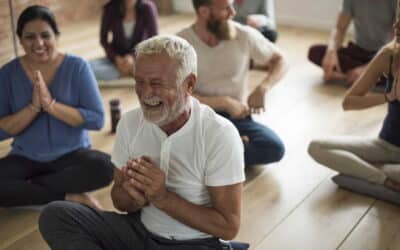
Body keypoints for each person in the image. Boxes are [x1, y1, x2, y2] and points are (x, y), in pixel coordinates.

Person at [39, 35, 245, 250]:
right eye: (139, 81)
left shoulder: (219, 134)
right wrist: (132, 195)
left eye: (156, 83)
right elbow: (119, 200)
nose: (146, 93)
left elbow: (228, 227)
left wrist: (163, 197)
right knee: (56, 215)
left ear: (189, 84)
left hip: (195, 244)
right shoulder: (130, 122)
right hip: (140, 233)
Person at [0, 5, 114, 209]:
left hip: (72, 156)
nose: (39, 43)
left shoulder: (77, 67)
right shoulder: (8, 74)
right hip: (25, 158)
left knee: (106, 167)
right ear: (20, 40)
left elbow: (96, 120)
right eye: (30, 37)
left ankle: (30, 191)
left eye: (45, 35)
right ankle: (68, 196)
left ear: (56, 36)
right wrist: (33, 108)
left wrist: (51, 105)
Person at [178, 0, 288, 167]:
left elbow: (281, 60)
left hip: (235, 118)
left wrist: (263, 88)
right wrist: (224, 102)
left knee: (273, 148)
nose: (233, 12)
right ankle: (228, 150)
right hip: (195, 118)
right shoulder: (181, 43)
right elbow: (176, 95)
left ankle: (208, 156)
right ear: (204, 12)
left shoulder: (244, 35)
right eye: (225, 8)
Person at [308, 20, 400, 192]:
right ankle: (384, 179)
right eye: (398, 17)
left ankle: (363, 169)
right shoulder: (388, 54)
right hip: (386, 145)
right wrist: (388, 97)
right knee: (316, 147)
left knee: (388, 169)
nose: (396, 26)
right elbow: (348, 102)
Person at [308, 0, 396, 85]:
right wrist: (331, 51)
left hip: (385, 55)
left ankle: (357, 76)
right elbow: (339, 29)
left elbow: (395, 43)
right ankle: (366, 78)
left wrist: (368, 69)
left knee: (396, 67)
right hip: (358, 51)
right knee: (315, 52)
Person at [90, 0, 158, 81]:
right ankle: (128, 72)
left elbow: (154, 39)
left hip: (140, 57)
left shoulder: (148, 8)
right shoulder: (110, 9)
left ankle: (124, 72)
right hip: (117, 58)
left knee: (158, 66)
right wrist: (116, 58)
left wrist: (133, 57)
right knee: (87, 67)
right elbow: (103, 39)